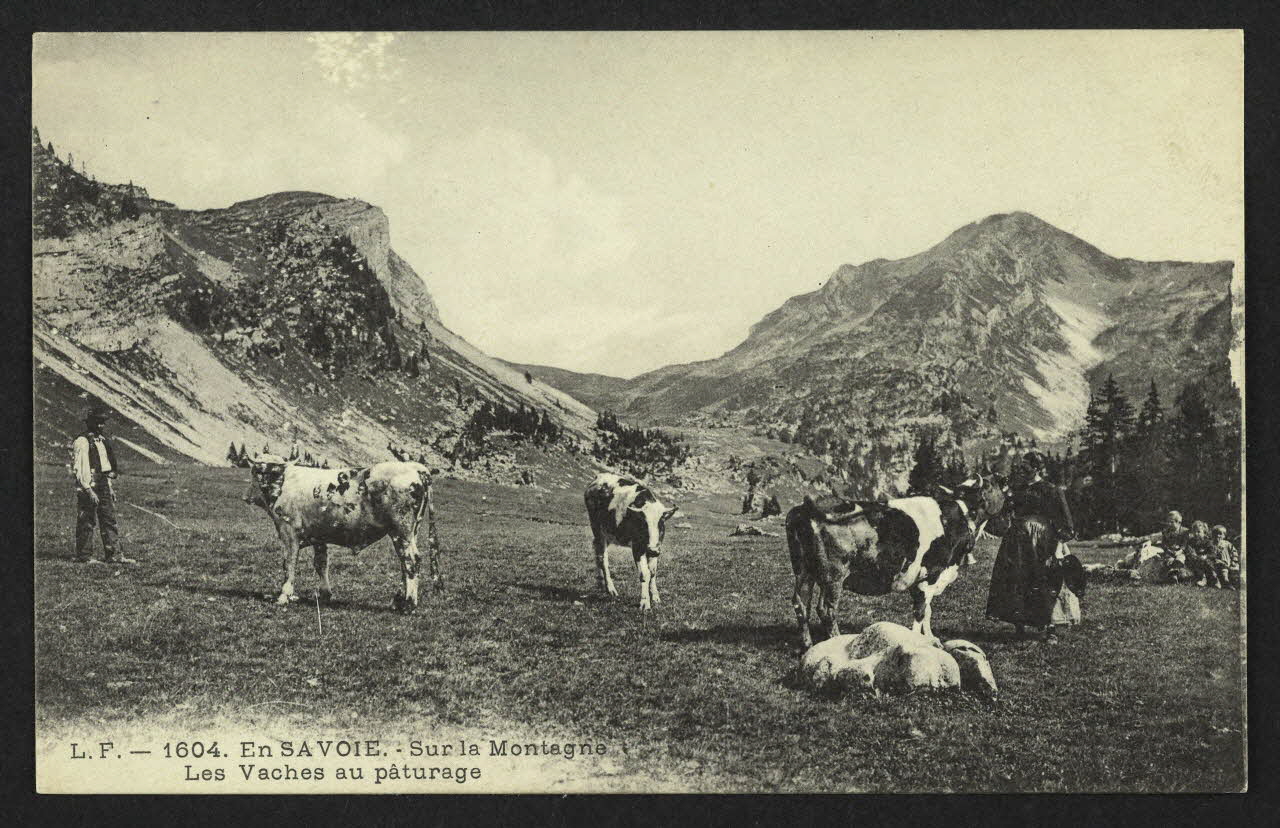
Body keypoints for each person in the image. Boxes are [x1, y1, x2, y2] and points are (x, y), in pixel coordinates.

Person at [985, 451, 1076, 643]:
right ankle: (1019, 624)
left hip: (1041, 543)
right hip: (1017, 542)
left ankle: (1050, 627)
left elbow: (1066, 522)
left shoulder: (1051, 490)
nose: (1022, 471)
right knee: (1016, 579)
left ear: (1036, 468)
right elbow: (1003, 512)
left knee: (1043, 580)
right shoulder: (1018, 490)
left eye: (1026, 467)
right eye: (1021, 467)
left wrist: (1059, 544)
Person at [71, 406, 136, 565]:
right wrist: (88, 490)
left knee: (109, 519)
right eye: (98, 422)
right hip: (89, 485)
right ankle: (84, 556)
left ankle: (114, 555)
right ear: (90, 423)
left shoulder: (103, 441)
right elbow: (80, 468)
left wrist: (109, 486)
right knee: (87, 519)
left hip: (103, 484)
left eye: (102, 423)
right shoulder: (82, 441)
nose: (101, 426)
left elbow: (104, 467)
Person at [1209, 525, 1240, 589]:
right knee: (1212, 570)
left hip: (1225, 563)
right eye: (1215, 534)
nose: (1217, 536)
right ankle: (1216, 581)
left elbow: (1234, 552)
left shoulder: (1227, 544)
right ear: (1212, 535)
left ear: (1224, 536)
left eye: (1220, 534)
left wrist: (1234, 561)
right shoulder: (1210, 543)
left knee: (1225, 569)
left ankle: (1226, 581)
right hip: (1214, 563)